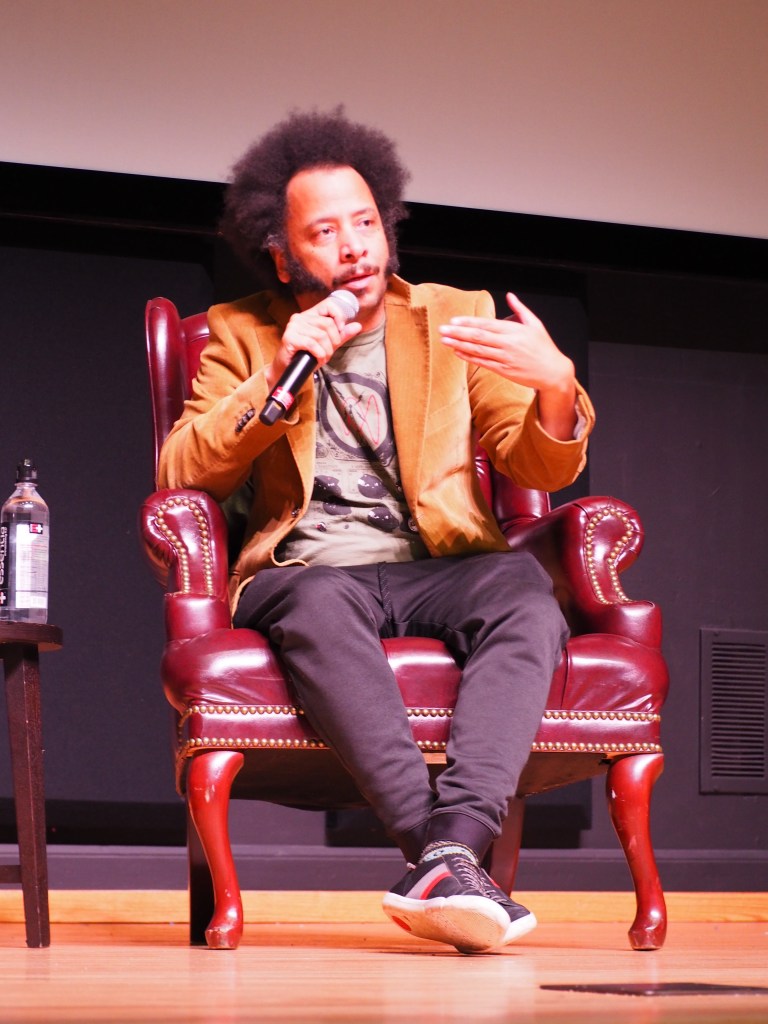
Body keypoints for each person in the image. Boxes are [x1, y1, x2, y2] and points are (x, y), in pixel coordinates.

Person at [158, 107, 595, 954]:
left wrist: (553, 386)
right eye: (324, 231)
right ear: (282, 253)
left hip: (438, 565)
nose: (355, 245)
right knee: (316, 601)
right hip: (311, 569)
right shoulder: (242, 334)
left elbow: (533, 464)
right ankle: (446, 858)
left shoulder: (450, 316)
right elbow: (184, 470)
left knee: (522, 592)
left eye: (365, 222)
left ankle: (449, 851)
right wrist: (286, 367)